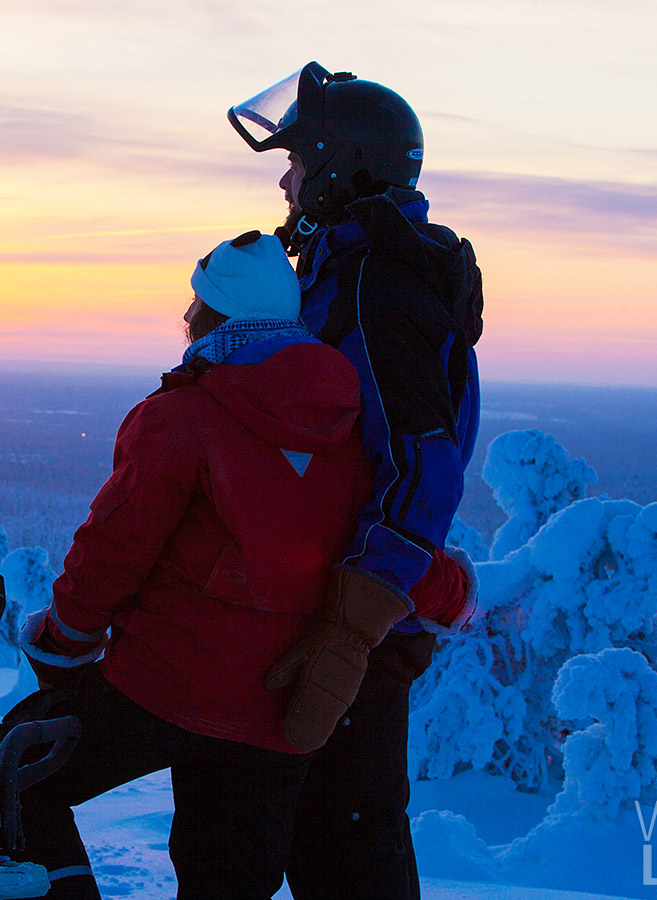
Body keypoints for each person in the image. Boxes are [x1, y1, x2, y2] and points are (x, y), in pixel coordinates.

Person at [5, 231, 468, 900]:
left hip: (163, 687)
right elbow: (388, 540)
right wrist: (453, 595)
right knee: (226, 881)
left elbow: (111, 552)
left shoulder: (182, 414)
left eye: (193, 304)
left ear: (214, 315)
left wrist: (65, 640)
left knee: (10, 779)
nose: (184, 318)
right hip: (278, 716)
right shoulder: (357, 426)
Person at [227, 62, 485, 900]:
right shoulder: (354, 268)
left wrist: (354, 620)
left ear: (340, 166)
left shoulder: (379, 285)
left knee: (351, 842)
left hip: (356, 616)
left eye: (297, 161)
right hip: (337, 598)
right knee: (318, 831)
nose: (283, 177)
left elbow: (420, 459)